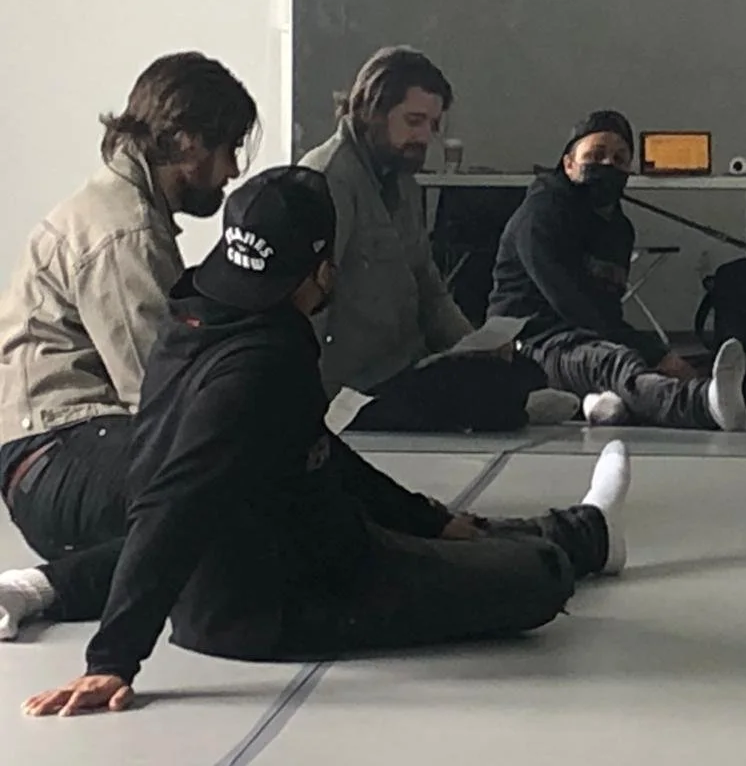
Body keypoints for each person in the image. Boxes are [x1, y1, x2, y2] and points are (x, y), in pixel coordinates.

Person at [17, 167, 632, 713]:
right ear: (320, 270)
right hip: (289, 603)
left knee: (457, 531)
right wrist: (112, 661)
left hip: (283, 554)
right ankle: (584, 540)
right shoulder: (262, 362)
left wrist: (427, 518)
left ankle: (588, 530)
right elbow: (172, 503)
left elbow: (313, 449)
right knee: (537, 572)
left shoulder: (195, 315)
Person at [0, 53, 257, 575]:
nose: (232, 170)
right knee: (236, 487)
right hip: (57, 456)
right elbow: (163, 393)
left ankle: (57, 587)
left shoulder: (125, 212)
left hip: (56, 455)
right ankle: (47, 588)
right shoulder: (125, 232)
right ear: (185, 140)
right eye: (229, 147)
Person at [300, 47, 576, 432]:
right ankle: (509, 407)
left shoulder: (402, 182)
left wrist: (476, 344)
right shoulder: (328, 180)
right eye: (414, 121)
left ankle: (505, 400)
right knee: (486, 395)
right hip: (352, 389)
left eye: (432, 125)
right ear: (371, 111)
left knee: (522, 370)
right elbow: (304, 301)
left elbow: (429, 286)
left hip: (403, 364)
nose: (424, 137)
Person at [488, 110, 746, 431]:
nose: (608, 164)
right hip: (534, 344)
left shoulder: (619, 229)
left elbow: (608, 312)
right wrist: (655, 355)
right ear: (569, 164)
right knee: (615, 363)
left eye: (619, 158)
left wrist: (662, 358)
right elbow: (575, 306)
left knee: (738, 373)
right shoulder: (541, 214)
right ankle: (701, 405)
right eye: (595, 155)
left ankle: (598, 403)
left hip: (592, 341)